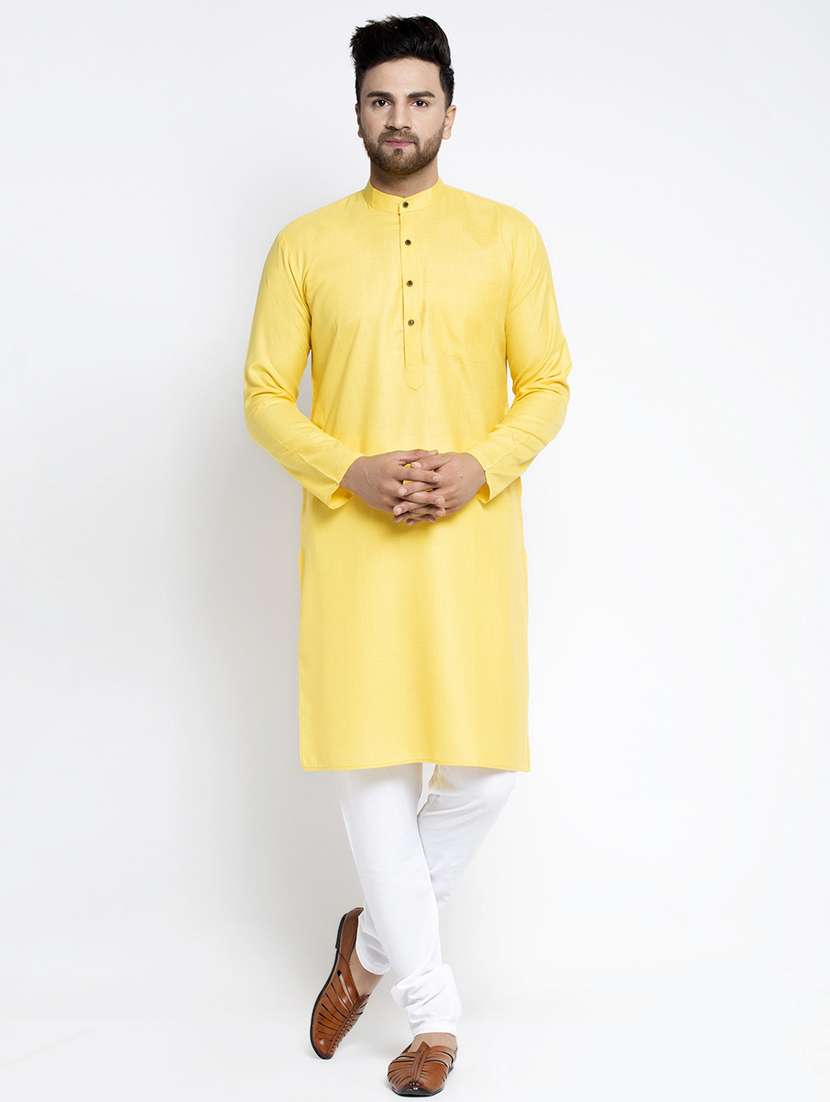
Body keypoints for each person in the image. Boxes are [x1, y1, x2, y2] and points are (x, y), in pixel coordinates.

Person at [242, 13, 572, 1096]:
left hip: (470, 541)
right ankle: (431, 1020)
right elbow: (262, 397)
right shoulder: (304, 245)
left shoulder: (506, 237)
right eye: (380, 99)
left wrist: (482, 466)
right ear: (356, 114)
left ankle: (369, 947)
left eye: (418, 99)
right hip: (355, 544)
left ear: (449, 113)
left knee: (484, 770)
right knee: (377, 767)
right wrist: (350, 470)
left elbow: (548, 384)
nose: (400, 117)